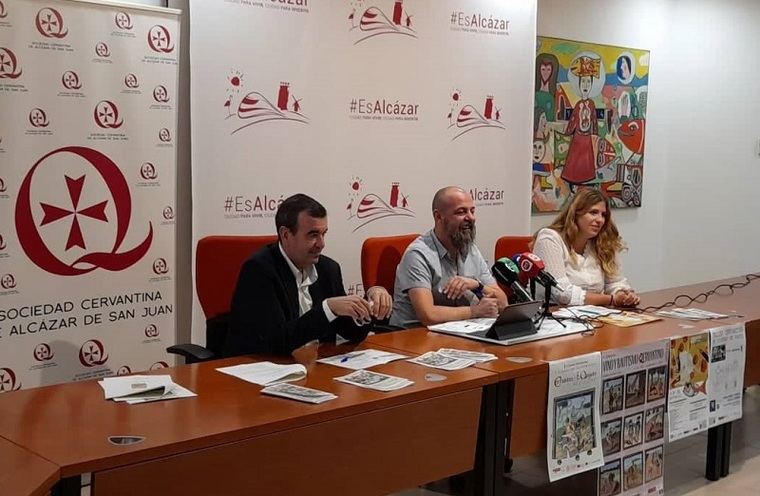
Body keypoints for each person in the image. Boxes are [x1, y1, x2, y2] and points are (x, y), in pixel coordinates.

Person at [223, 194, 392, 356]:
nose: (321, 244)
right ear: (286, 235)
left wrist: (370, 303)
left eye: (323, 234)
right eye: (313, 235)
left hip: (314, 365)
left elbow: (351, 332)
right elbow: (276, 342)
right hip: (259, 368)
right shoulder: (259, 270)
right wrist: (327, 309)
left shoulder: (328, 269)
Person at [390, 186, 507, 328]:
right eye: (461, 212)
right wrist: (475, 311)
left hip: (458, 331)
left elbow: (503, 304)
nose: (470, 217)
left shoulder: (471, 249)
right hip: (413, 334)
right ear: (438, 216)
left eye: (472, 211)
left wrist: (478, 285)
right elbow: (428, 315)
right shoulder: (418, 254)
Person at [532, 188, 639, 307]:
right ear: (576, 214)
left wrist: (623, 294)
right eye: (593, 212)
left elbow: (615, 282)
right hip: (551, 313)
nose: (600, 220)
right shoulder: (549, 238)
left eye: (603, 215)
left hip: (592, 313)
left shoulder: (602, 242)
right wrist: (611, 300)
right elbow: (561, 293)